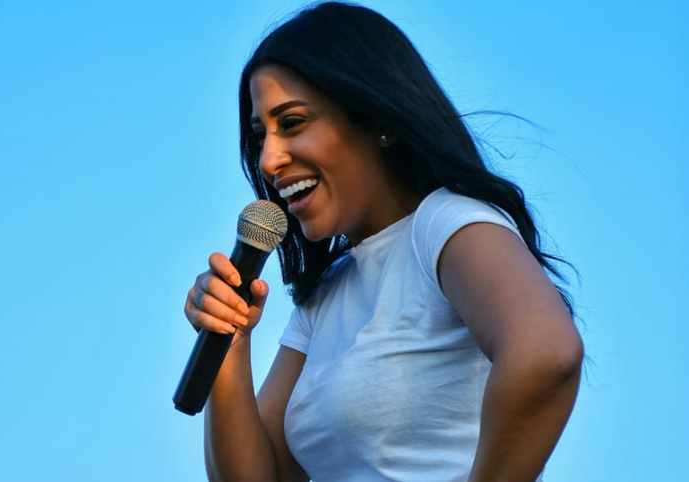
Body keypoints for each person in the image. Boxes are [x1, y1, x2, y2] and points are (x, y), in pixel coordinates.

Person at [183, 2, 584, 481]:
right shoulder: (327, 294)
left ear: (379, 121)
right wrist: (230, 343)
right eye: (259, 135)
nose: (269, 160)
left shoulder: (445, 224)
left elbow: (547, 353)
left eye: (291, 123)